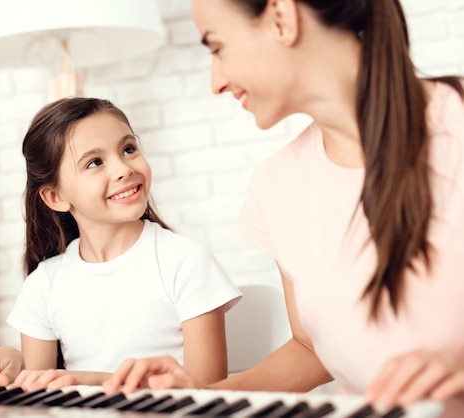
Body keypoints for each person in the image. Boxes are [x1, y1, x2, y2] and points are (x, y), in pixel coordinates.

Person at [103, 0, 464, 416]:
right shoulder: (275, 186)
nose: (215, 82)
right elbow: (311, 349)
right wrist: (202, 392)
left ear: (281, 17)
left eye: (217, 47)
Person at [0, 97, 241, 392]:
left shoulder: (185, 261)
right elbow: (38, 393)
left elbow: (208, 391)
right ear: (56, 197)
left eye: (129, 149)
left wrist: (94, 381)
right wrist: (12, 359)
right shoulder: (45, 284)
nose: (123, 169)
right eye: (95, 162)